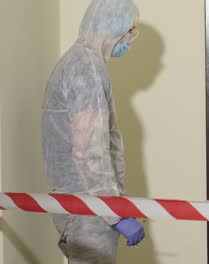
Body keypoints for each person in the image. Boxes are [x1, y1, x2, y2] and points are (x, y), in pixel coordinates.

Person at [41, 0, 144, 263]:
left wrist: (115, 204)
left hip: (88, 204)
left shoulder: (85, 64)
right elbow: (90, 149)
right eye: (130, 30)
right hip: (87, 206)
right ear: (114, 26)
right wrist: (114, 213)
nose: (130, 38)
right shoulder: (84, 68)